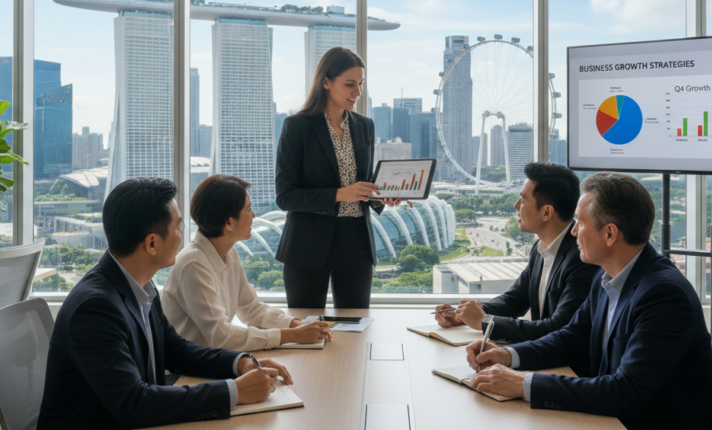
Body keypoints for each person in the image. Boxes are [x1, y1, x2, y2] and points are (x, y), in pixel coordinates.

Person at [464, 172, 712, 430]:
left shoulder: (664, 296)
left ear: (609, 233)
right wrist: (508, 355)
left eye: (580, 222)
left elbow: (625, 392)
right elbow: (570, 338)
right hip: (617, 427)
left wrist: (522, 384)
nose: (573, 231)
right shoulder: (606, 277)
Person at [30, 178, 293, 430]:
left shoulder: (140, 284)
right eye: (178, 226)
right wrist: (235, 392)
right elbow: (134, 404)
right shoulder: (95, 308)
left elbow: (175, 349)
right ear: (152, 243)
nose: (183, 233)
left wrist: (239, 364)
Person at [274, 47, 403, 309]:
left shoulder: (365, 125)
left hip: (356, 243)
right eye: (349, 84)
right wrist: (339, 194)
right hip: (308, 245)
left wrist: (380, 198)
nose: (357, 92)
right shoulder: (296, 126)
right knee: (307, 333)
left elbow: (362, 186)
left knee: (355, 329)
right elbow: (285, 196)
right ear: (326, 82)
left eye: (361, 84)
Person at [162, 174, 334, 351]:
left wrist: (296, 325)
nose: (253, 215)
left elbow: (252, 309)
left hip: (211, 361)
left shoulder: (228, 253)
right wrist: (293, 335)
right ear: (228, 223)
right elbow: (221, 336)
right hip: (184, 373)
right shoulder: (193, 263)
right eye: (249, 209)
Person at [434, 162, 598, 343]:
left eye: (523, 200)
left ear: (546, 212)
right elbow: (515, 300)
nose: (516, 205)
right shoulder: (540, 248)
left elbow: (557, 327)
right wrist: (465, 314)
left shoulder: (582, 258)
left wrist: (484, 322)